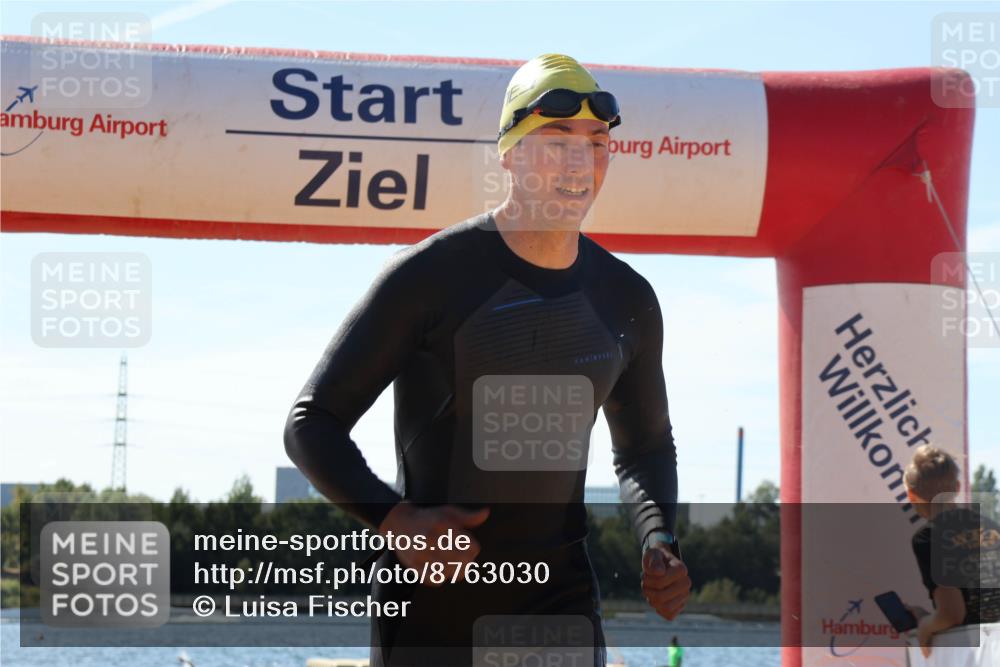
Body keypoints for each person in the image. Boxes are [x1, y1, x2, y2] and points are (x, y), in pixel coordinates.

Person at [284, 53, 691, 666]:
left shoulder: (626, 299)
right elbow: (311, 422)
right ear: (509, 152)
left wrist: (659, 538)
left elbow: (646, 448)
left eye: (597, 141)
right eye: (556, 140)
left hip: (559, 603)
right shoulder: (430, 277)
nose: (580, 160)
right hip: (434, 612)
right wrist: (396, 520)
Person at [902, 445, 1000, 659]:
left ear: (912, 495)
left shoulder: (929, 538)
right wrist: (927, 617)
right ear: (956, 487)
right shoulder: (992, 527)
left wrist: (925, 626)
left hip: (979, 655)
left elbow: (952, 614)